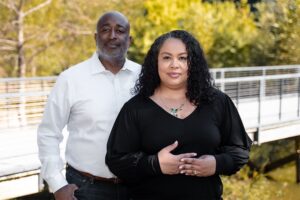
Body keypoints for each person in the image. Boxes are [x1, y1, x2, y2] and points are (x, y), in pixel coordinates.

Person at [106, 30, 252, 200]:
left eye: (183, 58)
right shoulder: (136, 108)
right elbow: (116, 160)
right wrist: (154, 164)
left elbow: (240, 149)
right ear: (155, 62)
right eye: (167, 57)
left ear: (193, 63)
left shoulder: (217, 102)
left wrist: (216, 164)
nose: (174, 64)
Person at [37, 11, 140, 200]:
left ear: (130, 39)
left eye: (120, 30)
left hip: (138, 187)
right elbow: (48, 133)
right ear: (95, 37)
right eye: (105, 30)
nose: (112, 36)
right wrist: (57, 184)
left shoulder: (144, 77)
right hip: (86, 189)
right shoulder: (71, 79)